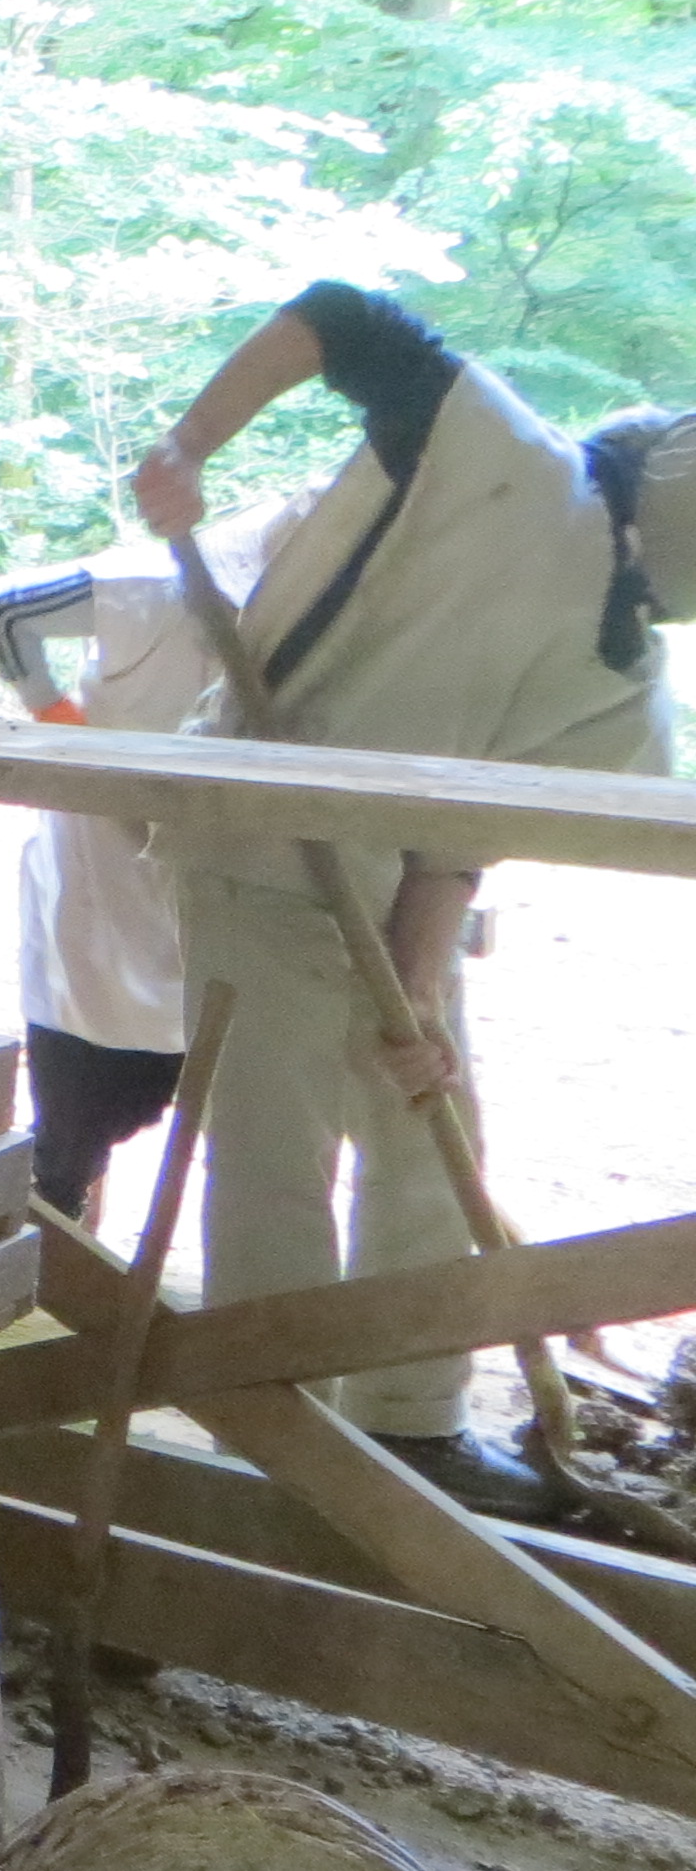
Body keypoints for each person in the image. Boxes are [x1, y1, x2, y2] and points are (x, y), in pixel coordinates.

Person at [133, 279, 685, 1520]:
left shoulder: (619, 659)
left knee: (428, 1131)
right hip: (257, 837)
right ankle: (278, 1444)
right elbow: (341, 316)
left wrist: (419, 991)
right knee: (273, 1160)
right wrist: (187, 446)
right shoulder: (496, 464)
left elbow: (463, 833)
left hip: (392, 877)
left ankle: (413, 1422)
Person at [0, 500, 297, 1221]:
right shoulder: (142, 587)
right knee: (78, 1103)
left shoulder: (312, 626)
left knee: (237, 1094)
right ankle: (61, 1241)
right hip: (100, 873)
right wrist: (59, 720)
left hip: (221, 870)